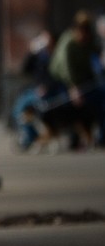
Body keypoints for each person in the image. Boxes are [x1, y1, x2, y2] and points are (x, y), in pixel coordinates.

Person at [47, 10, 103, 149]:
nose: (85, 36)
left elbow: (95, 54)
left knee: (95, 103)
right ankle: (74, 139)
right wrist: (73, 88)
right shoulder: (69, 41)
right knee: (70, 107)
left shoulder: (88, 41)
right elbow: (66, 67)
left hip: (81, 80)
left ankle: (97, 137)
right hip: (61, 79)